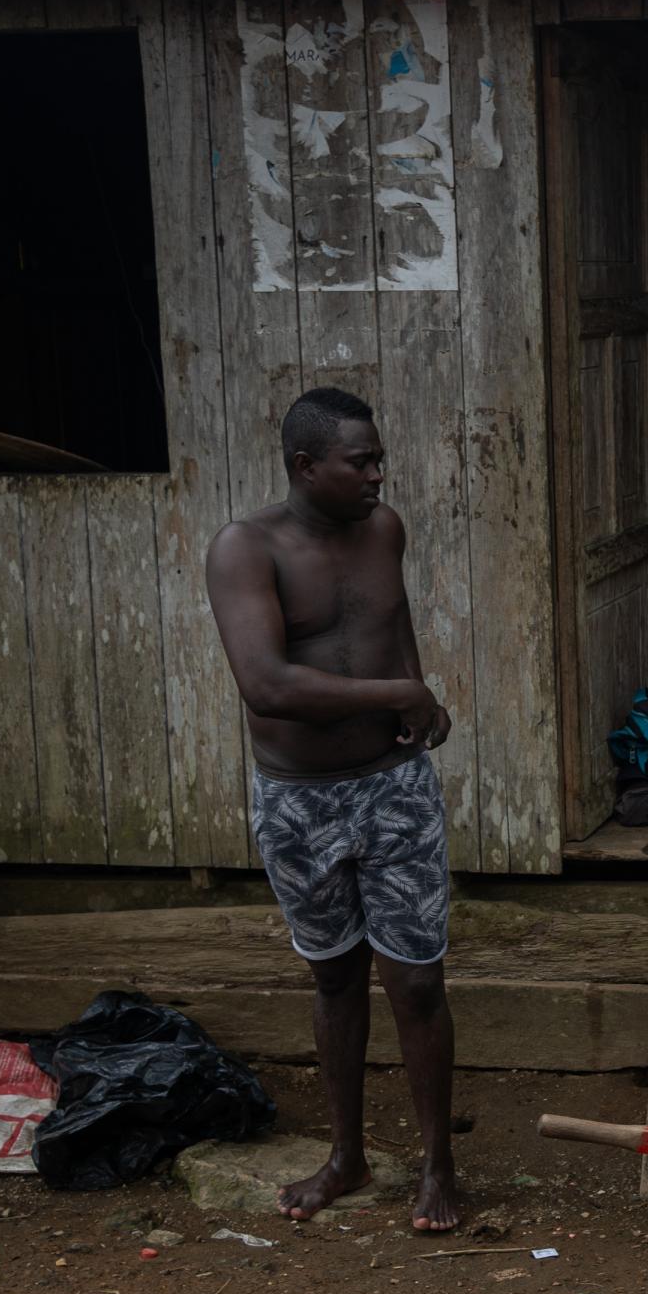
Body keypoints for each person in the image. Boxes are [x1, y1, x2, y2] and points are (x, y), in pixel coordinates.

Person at [205, 386, 460, 1232]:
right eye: (363, 462)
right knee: (335, 976)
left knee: (418, 982)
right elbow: (266, 685)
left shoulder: (382, 529)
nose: (380, 476)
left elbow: (394, 620)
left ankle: (438, 1168)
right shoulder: (245, 550)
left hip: (393, 789)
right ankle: (346, 1157)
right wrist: (403, 691)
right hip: (299, 802)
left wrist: (415, 709)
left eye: (380, 458)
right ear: (306, 466)